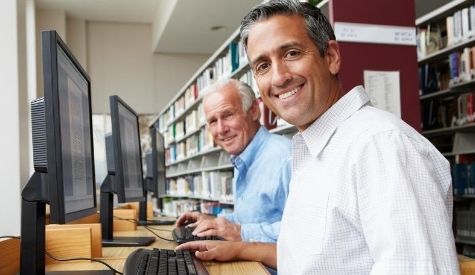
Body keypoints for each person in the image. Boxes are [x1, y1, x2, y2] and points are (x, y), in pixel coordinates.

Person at [177, 0, 460, 274]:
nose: (278, 78)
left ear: (331, 57)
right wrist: (238, 249)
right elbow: (306, 260)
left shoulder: (380, 145)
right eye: (262, 65)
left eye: (291, 53)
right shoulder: (315, 149)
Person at [175, 78, 292, 243]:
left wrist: (242, 233)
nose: (221, 130)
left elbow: (307, 229)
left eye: (228, 115)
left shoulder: (285, 158)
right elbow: (250, 217)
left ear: (253, 111)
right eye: (213, 121)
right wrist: (211, 220)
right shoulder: (242, 157)